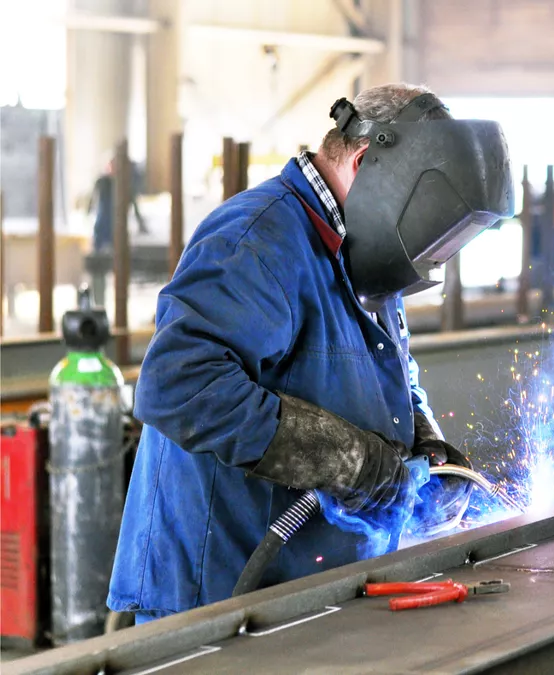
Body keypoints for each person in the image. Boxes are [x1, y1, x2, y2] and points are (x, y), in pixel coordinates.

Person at [107, 83, 514, 624]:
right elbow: (178, 385)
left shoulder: (364, 251)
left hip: (309, 589)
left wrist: (425, 442)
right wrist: (352, 462)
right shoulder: (257, 239)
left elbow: (391, 372)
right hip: (220, 593)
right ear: (366, 162)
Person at [88, 158, 149, 251]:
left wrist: (141, 224)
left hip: (117, 229)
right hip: (103, 228)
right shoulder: (102, 182)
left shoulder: (125, 186)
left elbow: (135, 207)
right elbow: (92, 200)